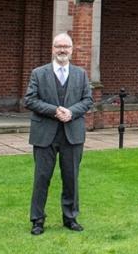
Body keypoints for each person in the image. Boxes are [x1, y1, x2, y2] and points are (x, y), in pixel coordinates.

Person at [25, 33, 93, 235]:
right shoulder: (38, 73)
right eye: (58, 46)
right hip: (45, 133)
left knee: (71, 177)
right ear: (52, 49)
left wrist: (71, 112)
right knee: (41, 178)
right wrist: (55, 110)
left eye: (66, 46)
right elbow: (30, 100)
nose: (62, 50)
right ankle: (37, 220)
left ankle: (70, 217)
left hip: (72, 133)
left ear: (72, 50)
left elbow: (88, 100)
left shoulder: (80, 74)